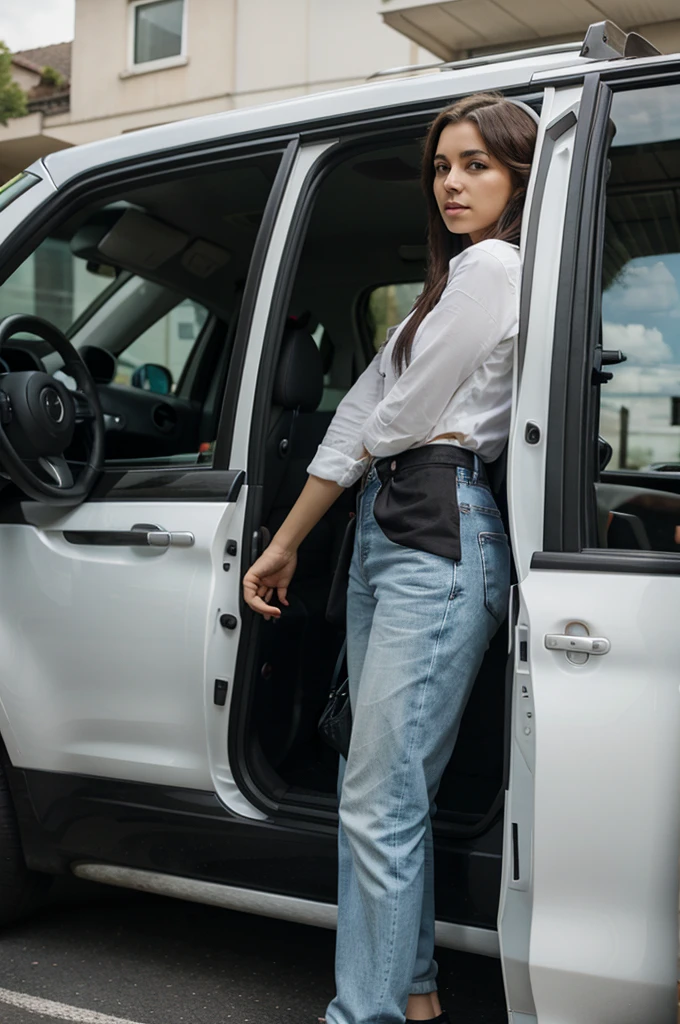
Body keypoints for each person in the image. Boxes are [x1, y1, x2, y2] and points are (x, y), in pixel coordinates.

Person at [243, 91, 538, 1024]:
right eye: (442, 167)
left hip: (439, 523)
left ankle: (361, 1014)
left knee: (379, 793)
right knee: (374, 787)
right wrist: (287, 542)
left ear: (519, 177)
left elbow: (393, 419)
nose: (452, 183)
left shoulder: (495, 265)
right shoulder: (443, 290)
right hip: (392, 520)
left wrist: (298, 530)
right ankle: (409, 997)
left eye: (476, 166)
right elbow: (358, 412)